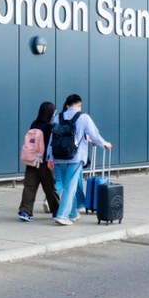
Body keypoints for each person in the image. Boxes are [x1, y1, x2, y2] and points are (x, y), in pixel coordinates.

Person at [47, 93, 112, 226]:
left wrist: (49, 157)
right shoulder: (83, 117)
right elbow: (94, 135)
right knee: (70, 187)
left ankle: (72, 214)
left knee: (66, 186)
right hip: (75, 157)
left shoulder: (57, 117)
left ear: (66, 105)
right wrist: (104, 144)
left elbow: (51, 140)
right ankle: (62, 215)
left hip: (59, 156)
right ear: (79, 104)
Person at [17, 101, 60, 221]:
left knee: (29, 186)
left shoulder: (34, 124)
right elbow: (50, 145)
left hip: (31, 160)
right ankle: (56, 210)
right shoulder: (49, 127)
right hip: (44, 161)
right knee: (50, 186)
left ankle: (25, 211)